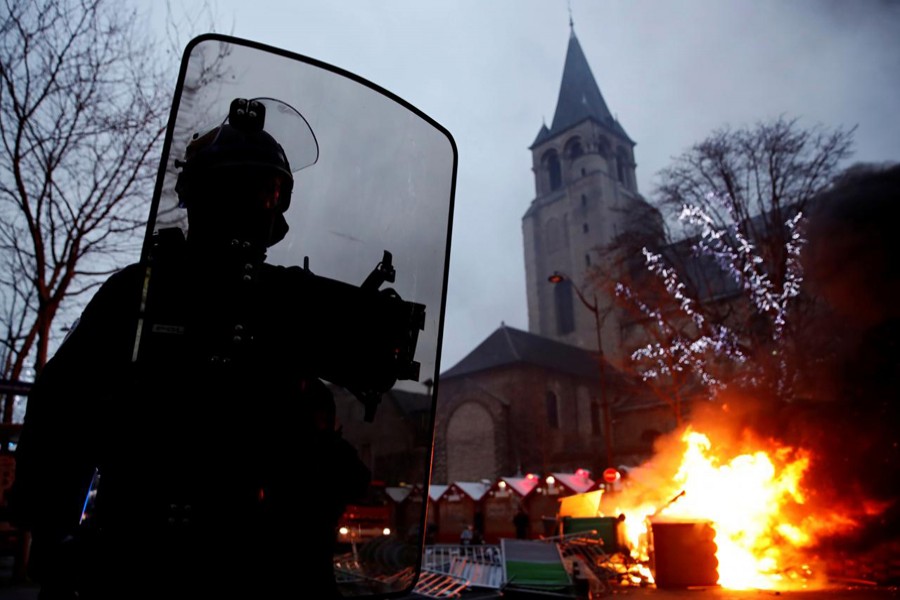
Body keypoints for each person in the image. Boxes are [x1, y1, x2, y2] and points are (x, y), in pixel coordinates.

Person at [9, 98, 374, 599]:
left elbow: (352, 406)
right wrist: (56, 539)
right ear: (202, 197)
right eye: (238, 189)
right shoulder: (139, 294)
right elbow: (59, 411)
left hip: (268, 570)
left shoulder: (291, 303)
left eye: (266, 192)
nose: (253, 205)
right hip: (141, 565)